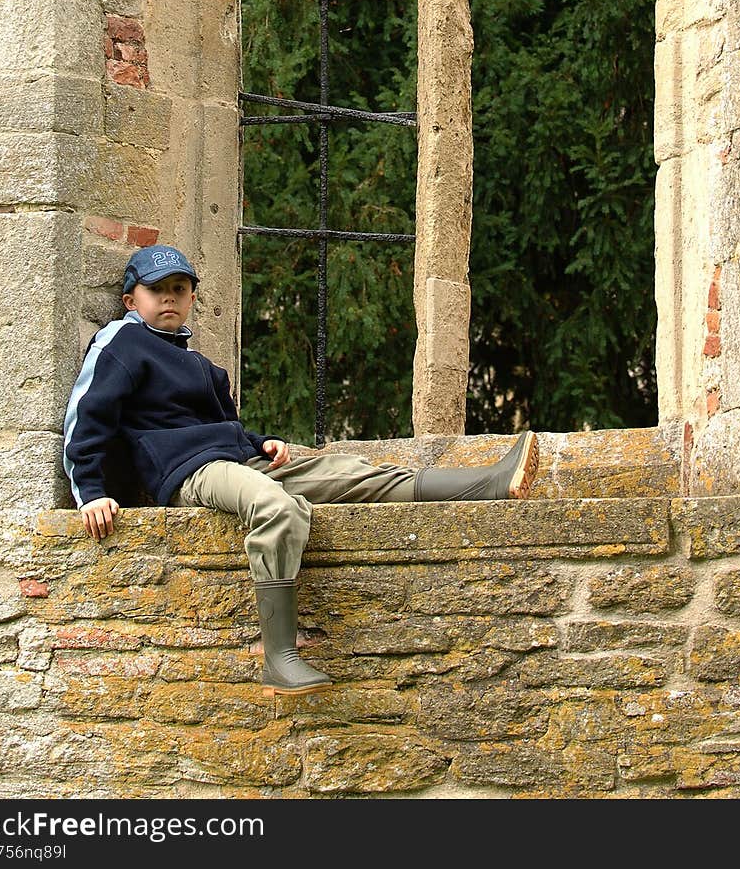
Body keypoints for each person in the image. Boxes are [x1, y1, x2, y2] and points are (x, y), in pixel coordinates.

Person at [63, 244, 540, 696]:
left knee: (350, 472)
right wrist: (91, 493)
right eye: (156, 289)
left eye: (180, 288)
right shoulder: (121, 342)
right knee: (278, 509)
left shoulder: (197, 363)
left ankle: (489, 483)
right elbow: (87, 418)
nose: (170, 296)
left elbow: (222, 426)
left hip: (234, 458)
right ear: (130, 299)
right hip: (189, 473)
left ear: (191, 297)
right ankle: (279, 656)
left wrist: (258, 443)